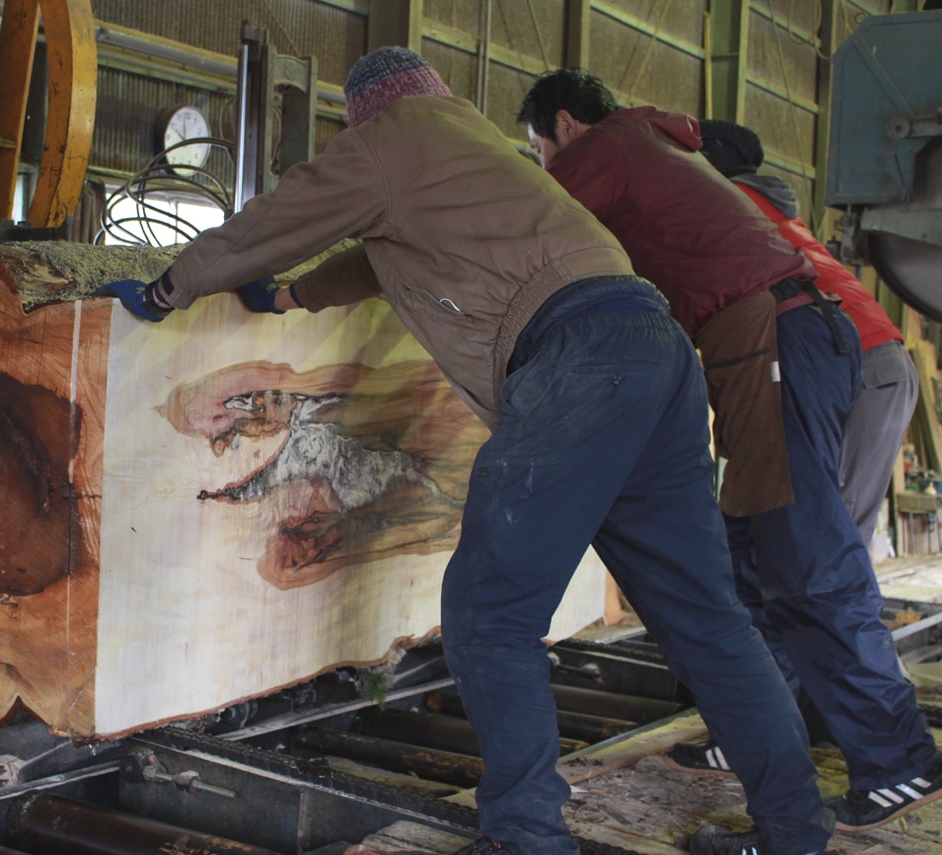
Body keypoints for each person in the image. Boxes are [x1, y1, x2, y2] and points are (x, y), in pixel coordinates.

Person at [95, 47, 833, 855]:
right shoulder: (470, 147)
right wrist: (286, 295)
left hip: (579, 365)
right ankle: (796, 831)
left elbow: (277, 218)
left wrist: (172, 287)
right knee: (707, 618)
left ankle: (527, 837)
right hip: (653, 351)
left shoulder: (388, 136)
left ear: (368, 107)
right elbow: (383, 259)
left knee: (490, 613)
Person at [517, 67, 941, 845]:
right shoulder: (657, 149)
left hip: (774, 339)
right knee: (747, 558)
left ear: (566, 127)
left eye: (540, 149)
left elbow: (527, 225)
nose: (546, 164)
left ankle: (897, 759)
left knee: (810, 564)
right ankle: (759, 730)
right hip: (765, 344)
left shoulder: (604, 148)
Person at [698, 119, 918, 550]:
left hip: (859, 361)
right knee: (838, 533)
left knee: (832, 538)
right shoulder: (771, 207)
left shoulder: (730, 204)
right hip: (874, 359)